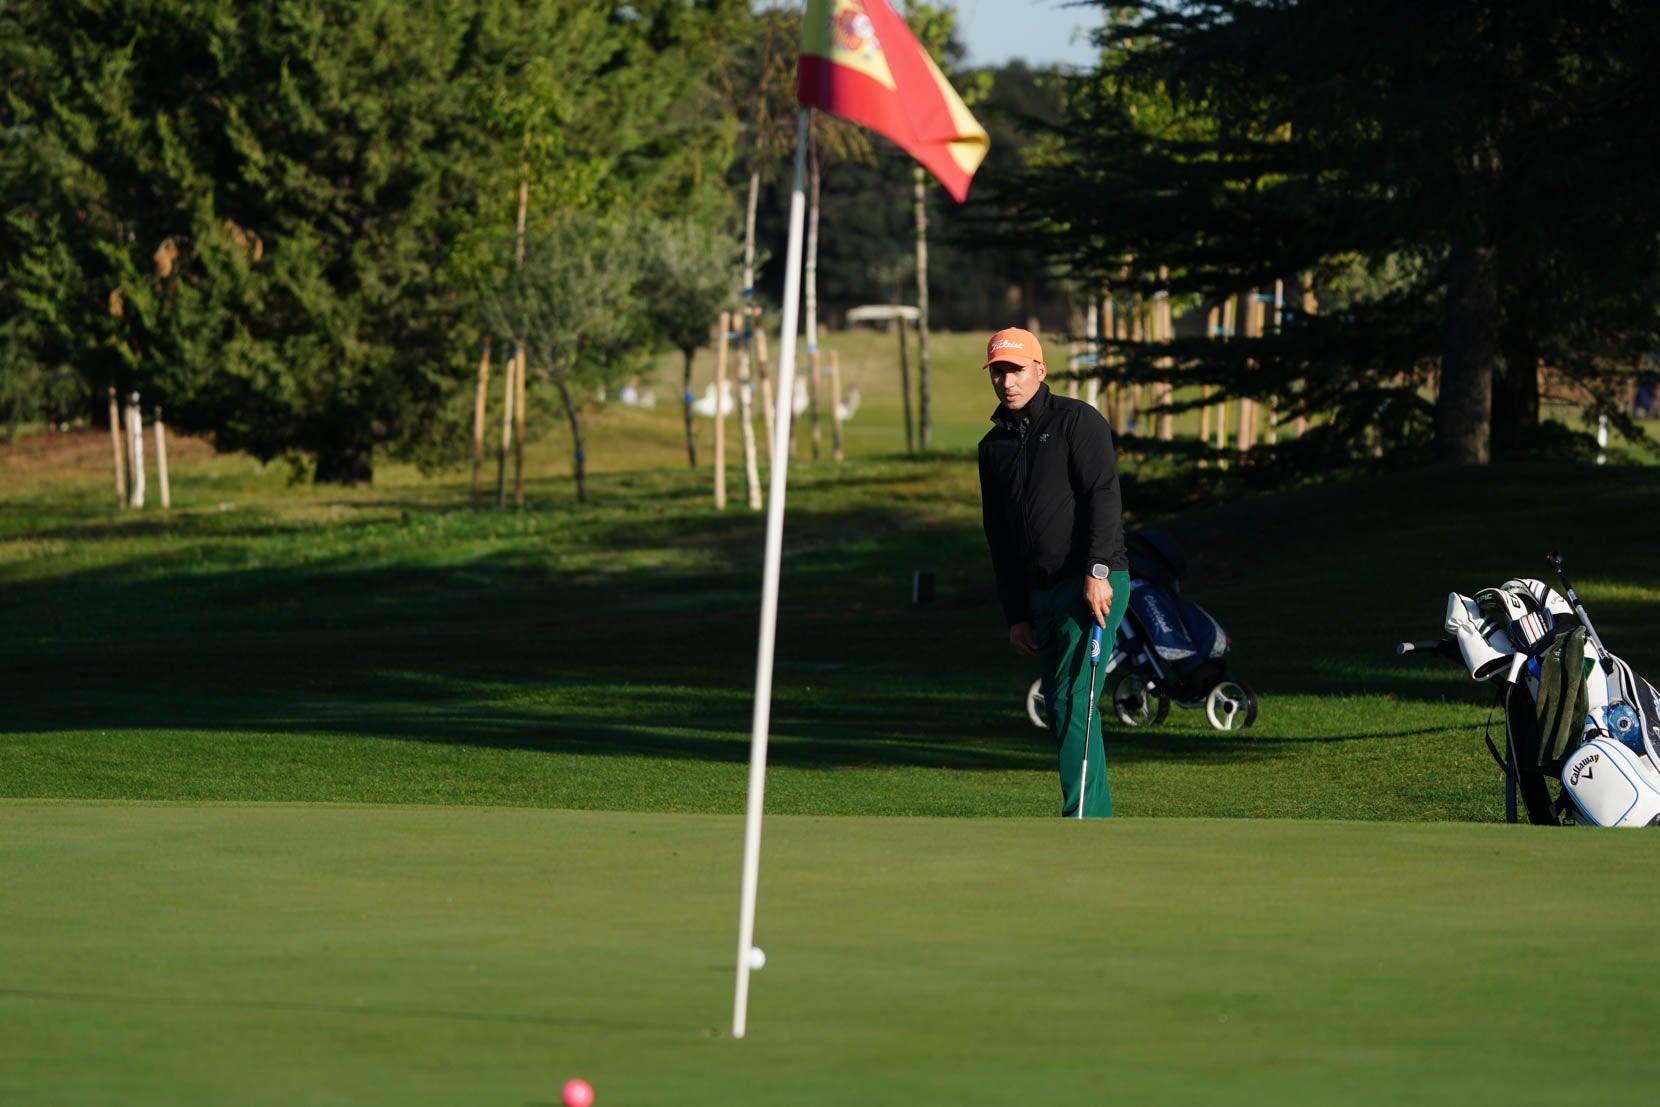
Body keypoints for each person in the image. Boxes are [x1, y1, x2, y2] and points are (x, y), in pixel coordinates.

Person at [977, 327, 1131, 818]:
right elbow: (999, 539)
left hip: (1091, 583)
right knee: (1060, 702)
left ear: (1039, 371)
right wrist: (1015, 614)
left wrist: (1097, 570)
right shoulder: (993, 446)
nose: (1007, 381)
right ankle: (1089, 813)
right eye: (999, 371)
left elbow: (1103, 498)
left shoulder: (1076, 421)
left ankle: (1086, 816)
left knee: (1073, 698)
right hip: (1039, 592)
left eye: (1016, 369)